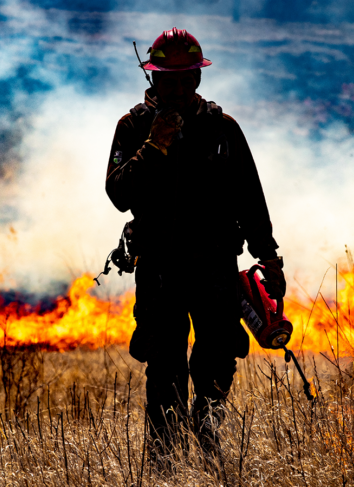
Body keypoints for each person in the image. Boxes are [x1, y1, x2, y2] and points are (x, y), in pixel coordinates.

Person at [105, 27, 286, 465]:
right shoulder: (132, 128)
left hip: (216, 271)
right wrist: (154, 146)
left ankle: (208, 444)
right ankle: (166, 462)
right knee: (165, 368)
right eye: (169, 79)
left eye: (187, 78)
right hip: (160, 272)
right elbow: (118, 194)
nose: (179, 88)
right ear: (153, 79)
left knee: (219, 361)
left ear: (198, 79)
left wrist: (269, 257)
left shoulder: (223, 129)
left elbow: (250, 198)